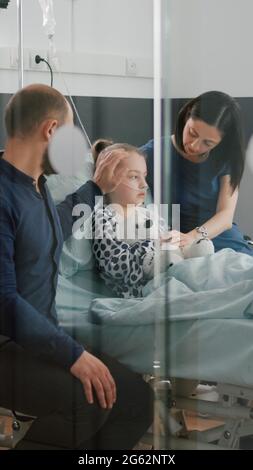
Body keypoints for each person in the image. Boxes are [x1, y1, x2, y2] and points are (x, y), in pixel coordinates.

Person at [0, 84, 153, 449]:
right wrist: (74, 356)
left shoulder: (35, 187)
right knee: (86, 400)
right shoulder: (5, 195)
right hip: (7, 345)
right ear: (51, 131)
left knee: (134, 401)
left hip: (35, 340)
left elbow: (58, 222)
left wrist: (96, 187)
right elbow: (4, 301)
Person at [91, 139, 214, 299]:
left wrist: (183, 245)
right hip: (144, 289)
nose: (144, 185)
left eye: (145, 176)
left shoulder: (149, 213)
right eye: (134, 177)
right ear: (110, 179)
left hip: (177, 269)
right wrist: (153, 250)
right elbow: (113, 264)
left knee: (205, 257)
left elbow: (169, 242)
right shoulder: (104, 217)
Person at [141, 91, 253, 256]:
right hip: (174, 237)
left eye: (208, 143)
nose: (194, 146)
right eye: (192, 133)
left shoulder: (225, 158)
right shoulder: (153, 152)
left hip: (215, 233)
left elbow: (226, 215)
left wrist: (193, 237)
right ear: (187, 117)